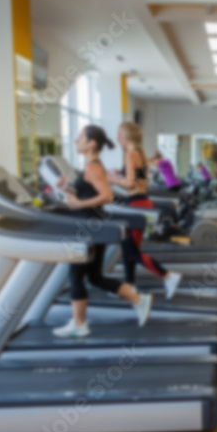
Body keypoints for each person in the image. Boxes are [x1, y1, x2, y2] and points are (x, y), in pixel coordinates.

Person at [53, 125, 153, 338]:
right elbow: (88, 192)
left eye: (80, 137)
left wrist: (79, 204)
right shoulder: (93, 166)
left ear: (92, 144)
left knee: (75, 275)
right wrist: (66, 189)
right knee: (95, 277)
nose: (75, 141)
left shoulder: (94, 167)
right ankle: (138, 300)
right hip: (94, 224)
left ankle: (80, 324)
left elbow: (107, 195)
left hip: (89, 226)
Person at [108, 121, 182, 299]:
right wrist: (120, 174)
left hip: (136, 205)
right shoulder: (140, 153)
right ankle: (130, 285)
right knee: (128, 249)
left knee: (132, 251)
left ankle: (168, 276)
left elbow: (129, 184)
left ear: (127, 136)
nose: (117, 139)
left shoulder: (130, 153)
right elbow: (140, 177)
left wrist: (109, 178)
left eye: (119, 135)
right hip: (142, 202)